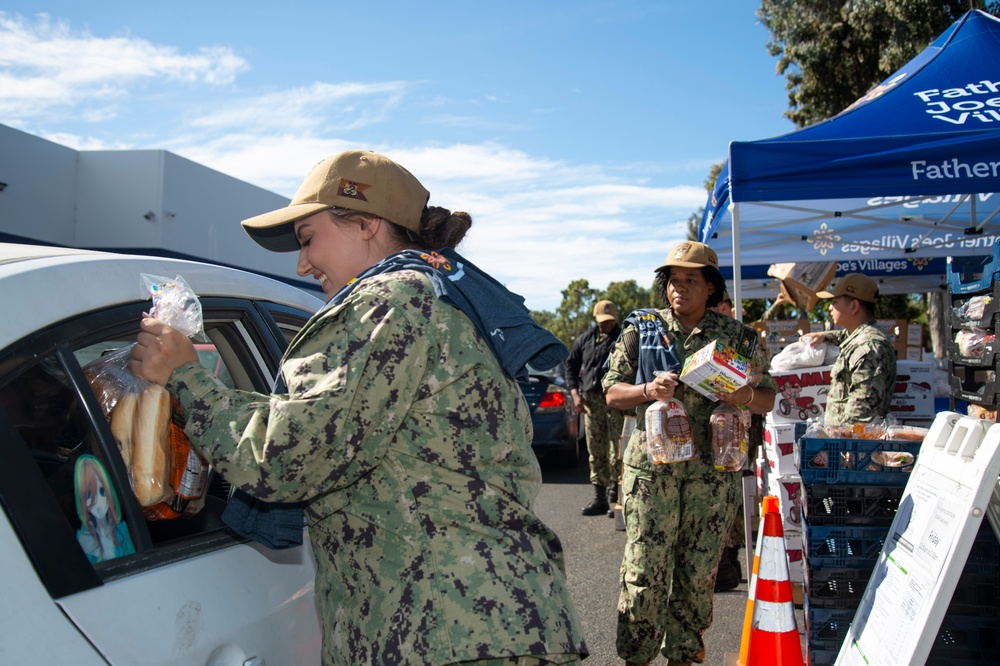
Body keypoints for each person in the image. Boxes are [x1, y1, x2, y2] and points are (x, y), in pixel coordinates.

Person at [128, 150, 587, 665]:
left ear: (367, 223)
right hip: (472, 626)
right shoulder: (433, 297)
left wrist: (187, 377)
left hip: (448, 634)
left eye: (307, 240)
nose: (302, 264)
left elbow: (289, 456)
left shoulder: (389, 303)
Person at [603, 241, 776, 666]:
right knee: (644, 571)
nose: (679, 289)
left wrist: (745, 393)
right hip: (652, 474)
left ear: (711, 287)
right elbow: (611, 391)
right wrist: (646, 390)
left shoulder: (738, 338)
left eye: (691, 281)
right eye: (673, 281)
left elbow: (768, 399)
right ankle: (636, 657)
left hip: (711, 479)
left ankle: (683, 657)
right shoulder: (642, 329)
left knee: (698, 576)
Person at [800, 273, 896, 425]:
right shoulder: (863, 337)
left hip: (852, 443)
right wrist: (825, 336)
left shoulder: (868, 348)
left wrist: (841, 443)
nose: (830, 308)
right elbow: (847, 336)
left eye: (835, 302)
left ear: (853, 306)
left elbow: (860, 414)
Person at [565, 299, 624, 517]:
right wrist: (574, 394)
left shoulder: (623, 337)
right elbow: (570, 365)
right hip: (591, 401)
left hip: (615, 399)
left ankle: (617, 498)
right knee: (595, 449)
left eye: (610, 321)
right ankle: (600, 499)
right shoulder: (585, 339)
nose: (606, 325)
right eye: (602, 321)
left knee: (616, 449)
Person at [75, 454, 136, 564]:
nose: (98, 502)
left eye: (102, 491)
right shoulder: (82, 540)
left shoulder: (122, 530)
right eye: (89, 495)